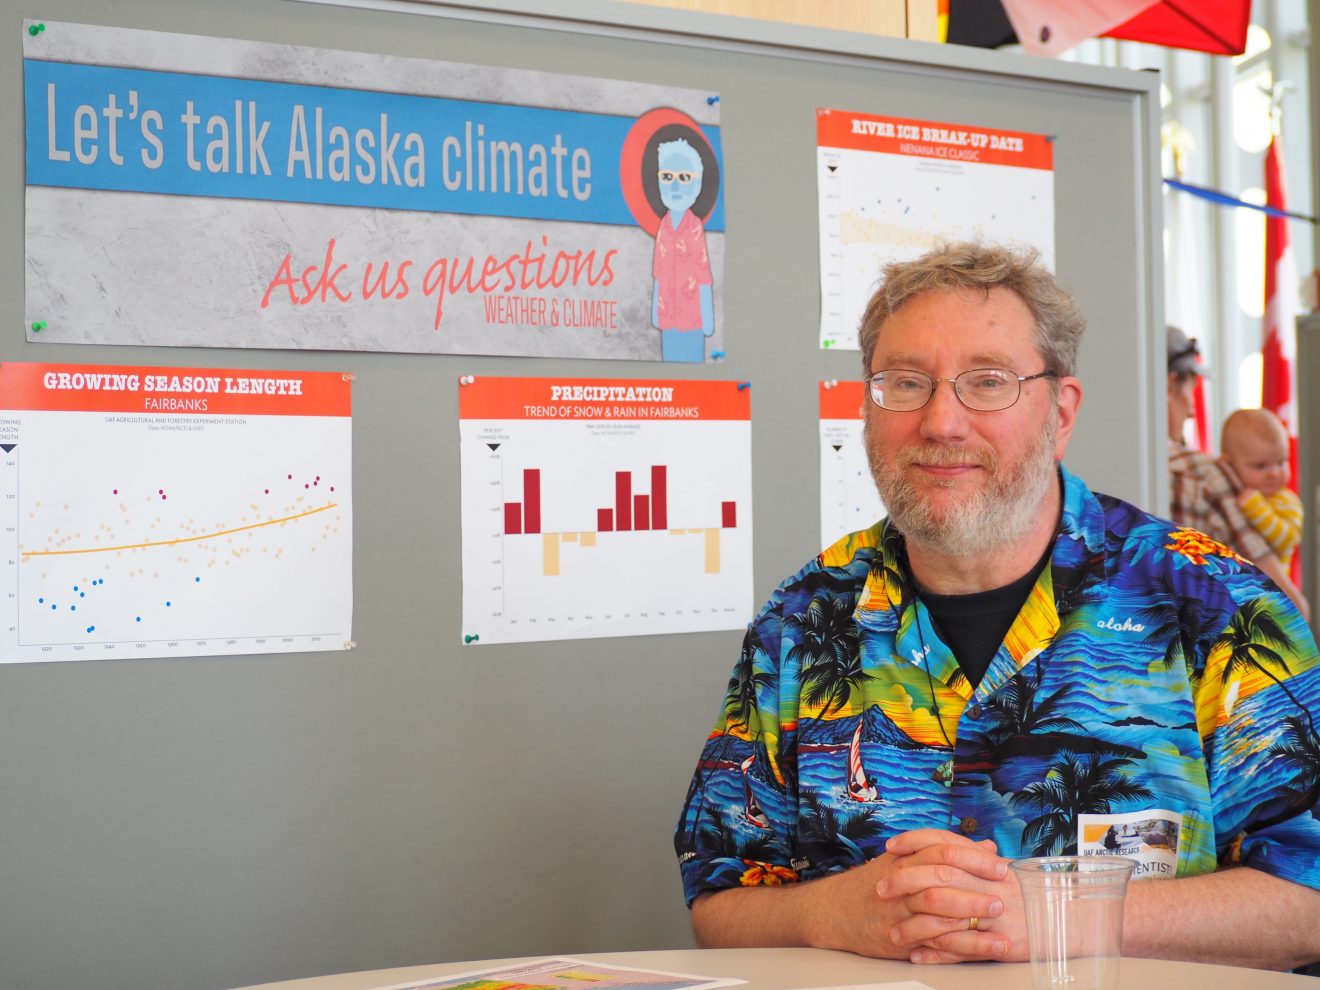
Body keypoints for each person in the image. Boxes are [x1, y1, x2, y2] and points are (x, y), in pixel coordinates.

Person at [673, 243, 1320, 971]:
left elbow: (1309, 902)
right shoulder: (803, 620)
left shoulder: (1218, 608)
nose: (942, 423)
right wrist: (843, 909)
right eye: (906, 382)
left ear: (1061, 410)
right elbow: (717, 898)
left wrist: (1060, 915)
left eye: (987, 383)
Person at [1166, 328, 1309, 621]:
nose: (1193, 410)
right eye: (1192, 389)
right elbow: (1288, 606)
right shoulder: (1203, 475)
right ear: (1171, 386)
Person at [651, 137, 715, 363]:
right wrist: (655, 313)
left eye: (684, 178)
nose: (675, 186)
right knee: (671, 369)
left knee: (692, 376)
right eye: (667, 177)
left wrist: (707, 318)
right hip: (667, 318)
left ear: (697, 185)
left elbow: (703, 274)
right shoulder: (664, 226)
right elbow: (658, 270)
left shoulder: (694, 226)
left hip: (692, 320)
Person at [1219, 408, 1303, 571]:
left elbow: (1287, 539)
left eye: (1281, 462)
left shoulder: (1286, 500)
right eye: (1261, 466)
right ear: (1228, 465)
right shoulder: (1226, 491)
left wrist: (1256, 508)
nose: (1274, 473)